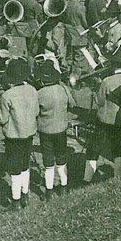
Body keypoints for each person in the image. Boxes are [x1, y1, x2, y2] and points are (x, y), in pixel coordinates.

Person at [85, 41, 121, 181]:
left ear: (113, 64)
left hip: (105, 119)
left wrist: (97, 86)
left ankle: (87, 179)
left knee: (94, 147)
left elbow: (99, 101)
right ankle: (117, 177)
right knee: (118, 149)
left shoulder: (107, 81)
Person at [0, 57, 39, 209]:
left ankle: (16, 201)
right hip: (29, 133)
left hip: (14, 136)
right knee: (25, 165)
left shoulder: (7, 95)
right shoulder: (32, 90)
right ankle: (25, 194)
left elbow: (2, 119)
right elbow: (36, 111)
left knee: (14, 168)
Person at [35, 61, 74, 196]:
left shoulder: (39, 93)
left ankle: (49, 190)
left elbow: (35, 112)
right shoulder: (63, 89)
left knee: (48, 161)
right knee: (61, 158)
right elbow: (72, 104)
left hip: (45, 130)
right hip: (61, 129)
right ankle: (64, 187)